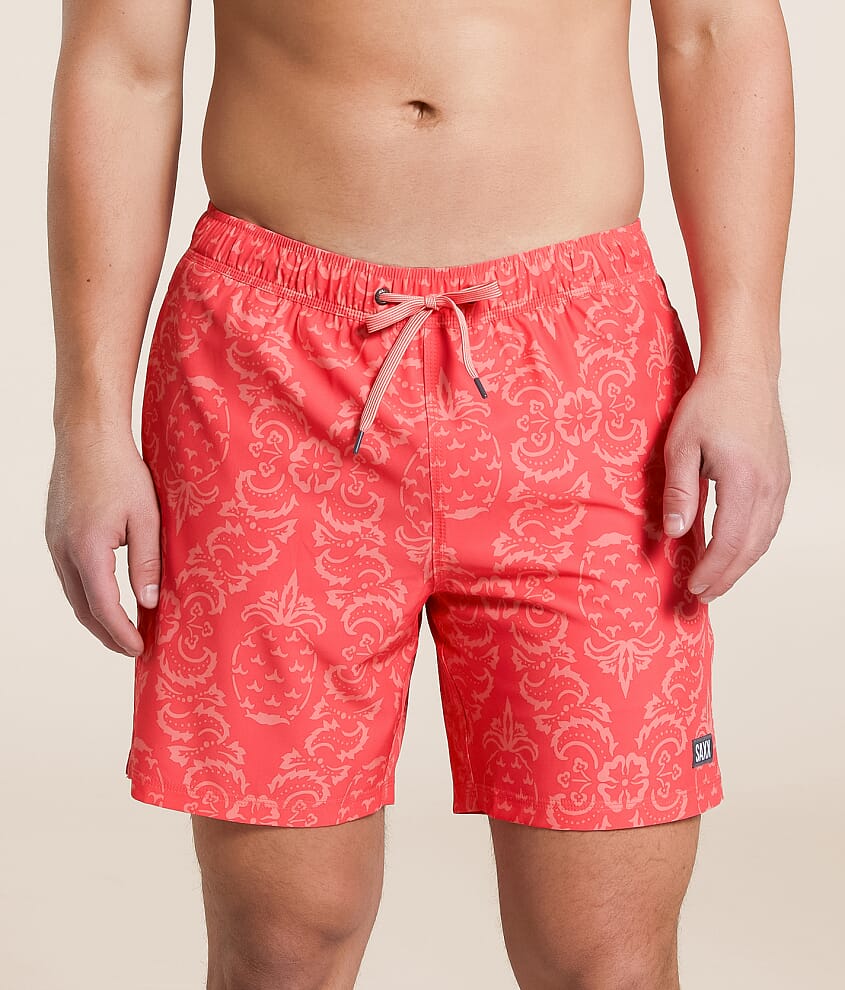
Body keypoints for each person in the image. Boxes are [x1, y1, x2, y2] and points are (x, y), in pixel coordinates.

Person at [44, 1, 793, 987]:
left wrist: (743, 366)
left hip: (582, 375)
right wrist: (89, 421)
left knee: (604, 955)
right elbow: (121, 66)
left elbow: (716, 33)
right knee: (283, 944)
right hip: (265, 373)